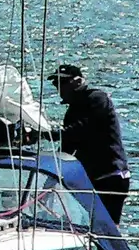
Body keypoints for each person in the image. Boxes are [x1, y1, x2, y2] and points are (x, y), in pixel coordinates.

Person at [48, 64, 131, 225]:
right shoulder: (72, 112)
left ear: (78, 82)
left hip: (110, 175)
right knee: (87, 226)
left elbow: (82, 128)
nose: (59, 88)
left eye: (62, 83)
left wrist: (48, 134)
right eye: (56, 84)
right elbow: (66, 149)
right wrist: (49, 183)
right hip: (90, 179)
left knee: (106, 228)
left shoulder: (97, 99)